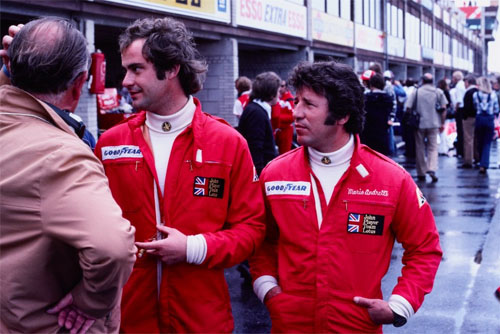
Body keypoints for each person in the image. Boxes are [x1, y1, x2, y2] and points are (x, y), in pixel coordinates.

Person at [94, 17, 265, 333]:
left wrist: (193, 248)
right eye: (126, 69)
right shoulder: (111, 144)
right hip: (129, 320)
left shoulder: (228, 143)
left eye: (136, 69)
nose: (126, 81)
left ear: (171, 68)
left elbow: (251, 230)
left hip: (202, 321)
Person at [249, 61, 442, 333]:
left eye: (309, 104)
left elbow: (424, 248)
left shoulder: (391, 179)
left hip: (357, 326)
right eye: (296, 101)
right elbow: (260, 240)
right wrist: (267, 288)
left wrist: (400, 305)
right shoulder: (275, 174)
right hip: (290, 324)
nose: (296, 113)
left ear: (342, 116)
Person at [0, 17, 136, 333]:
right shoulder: (60, 155)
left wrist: (9, 75)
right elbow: (112, 249)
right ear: (80, 83)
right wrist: (91, 301)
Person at [406, 73, 448, 182]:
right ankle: (432, 168)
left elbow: (408, 107)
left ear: (423, 81)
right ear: (432, 81)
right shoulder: (438, 92)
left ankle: (421, 172)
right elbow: (444, 108)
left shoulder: (416, 92)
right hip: (434, 123)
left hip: (419, 123)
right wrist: (442, 123)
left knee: (419, 147)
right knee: (433, 147)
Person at [238, 71, 280, 175]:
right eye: (278, 91)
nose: (279, 94)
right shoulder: (256, 113)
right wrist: (260, 177)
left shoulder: (257, 109)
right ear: (271, 93)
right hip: (259, 174)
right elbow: (255, 148)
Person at [360, 73, 393, 156]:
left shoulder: (366, 97)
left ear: (371, 84)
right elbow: (391, 112)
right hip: (382, 130)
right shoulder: (388, 98)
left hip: (367, 131)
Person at [473, 76, 499, 174]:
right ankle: (484, 164)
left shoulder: (476, 95)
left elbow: (475, 106)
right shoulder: (493, 95)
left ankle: (480, 160)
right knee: (487, 142)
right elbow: (496, 108)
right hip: (489, 119)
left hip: (479, 118)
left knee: (479, 140)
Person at [271, 80, 295, 154]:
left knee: (284, 153)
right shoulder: (276, 98)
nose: (280, 88)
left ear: (286, 87)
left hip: (285, 130)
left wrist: (277, 118)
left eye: (282, 86)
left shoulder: (289, 98)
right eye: (279, 86)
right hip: (276, 130)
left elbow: (292, 116)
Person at [460, 75, 478, 168]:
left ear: (468, 82)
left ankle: (468, 160)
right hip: (477, 117)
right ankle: (477, 157)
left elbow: (467, 107)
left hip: (468, 118)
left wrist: (464, 116)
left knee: (468, 139)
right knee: (476, 139)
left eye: (465, 82)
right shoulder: (478, 91)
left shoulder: (468, 92)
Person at [452, 71, 466, 157]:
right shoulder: (463, 84)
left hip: (460, 110)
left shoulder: (458, 86)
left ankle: (460, 151)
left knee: (460, 130)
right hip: (463, 109)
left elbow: (459, 100)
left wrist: (456, 108)